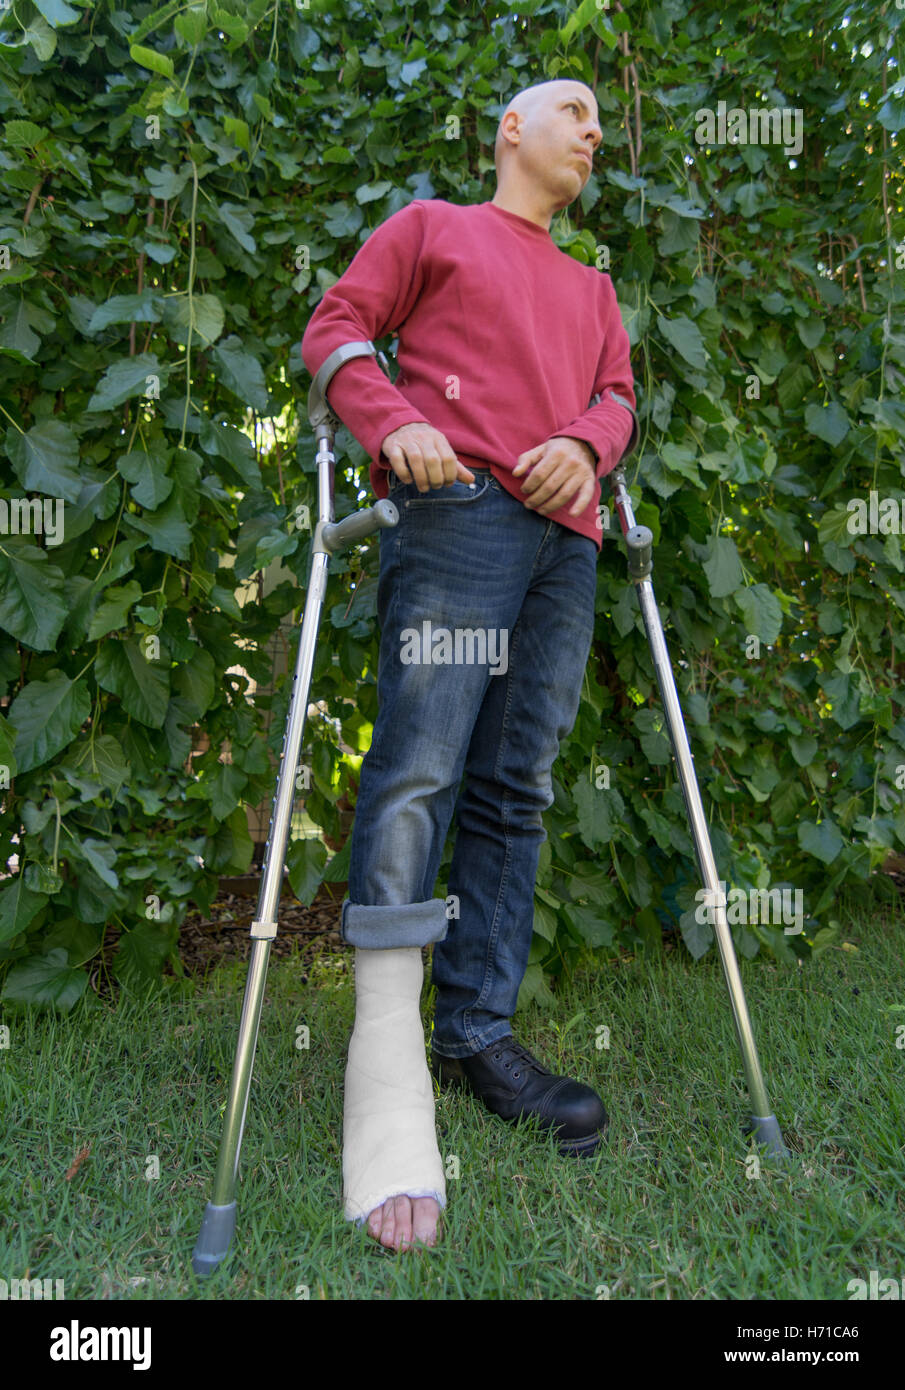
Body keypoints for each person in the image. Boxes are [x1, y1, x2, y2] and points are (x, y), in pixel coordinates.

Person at [300, 78, 638, 1253]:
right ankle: (387, 1077)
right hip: (458, 515)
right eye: (575, 111)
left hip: (568, 542)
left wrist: (587, 448)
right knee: (419, 772)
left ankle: (475, 1033)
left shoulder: (596, 291)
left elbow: (619, 399)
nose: (593, 134)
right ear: (510, 128)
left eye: (598, 123)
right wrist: (392, 420)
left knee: (516, 787)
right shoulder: (432, 228)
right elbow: (337, 329)